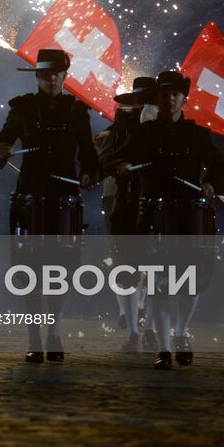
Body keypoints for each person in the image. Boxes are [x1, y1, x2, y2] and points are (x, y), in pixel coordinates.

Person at [114, 70, 224, 369]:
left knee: (190, 282)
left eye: (175, 94)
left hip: (189, 216)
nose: (170, 98)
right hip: (154, 215)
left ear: (184, 99)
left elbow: (222, 167)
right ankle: (164, 348)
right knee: (158, 282)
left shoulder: (198, 134)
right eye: (165, 94)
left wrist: (211, 183)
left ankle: (180, 334)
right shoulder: (143, 134)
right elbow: (113, 158)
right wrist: (122, 164)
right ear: (157, 98)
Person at [0, 48, 100, 363]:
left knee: (61, 269)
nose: (52, 79)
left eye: (57, 74)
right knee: (30, 270)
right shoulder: (23, 107)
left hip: (65, 195)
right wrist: (2, 148)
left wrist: (90, 172)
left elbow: (88, 153)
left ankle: (53, 331)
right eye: (46, 74)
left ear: (65, 76)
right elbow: (2, 139)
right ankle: (34, 336)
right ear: (37, 76)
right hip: (31, 193)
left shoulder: (76, 110)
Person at [97, 76, 156, 352]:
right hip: (123, 198)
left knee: (156, 265)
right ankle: (130, 319)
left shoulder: (166, 127)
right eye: (140, 100)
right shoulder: (121, 127)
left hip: (156, 200)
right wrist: (118, 162)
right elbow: (106, 158)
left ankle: (150, 324)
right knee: (124, 260)